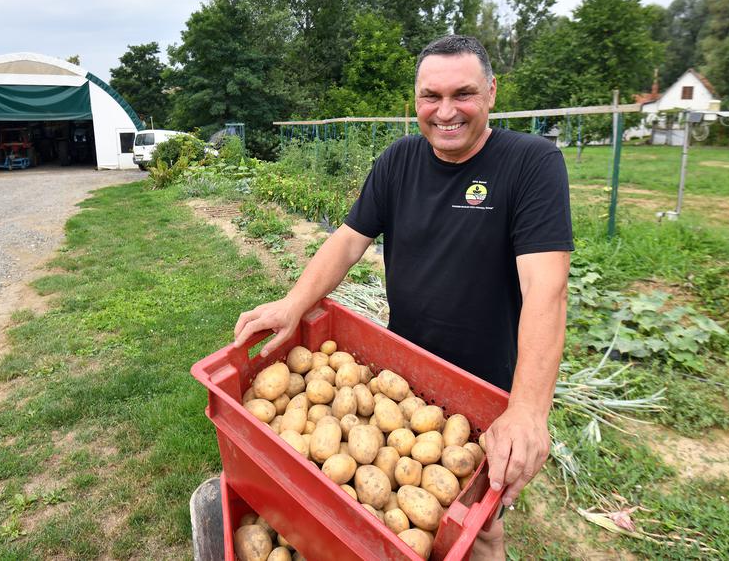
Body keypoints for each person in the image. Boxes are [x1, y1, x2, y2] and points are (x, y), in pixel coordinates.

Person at [233, 35, 572, 560]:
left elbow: (545, 290)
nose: (445, 111)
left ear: (492, 92)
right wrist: (293, 303)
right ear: (415, 99)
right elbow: (348, 240)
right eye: (430, 96)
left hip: (483, 394)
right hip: (401, 374)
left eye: (463, 93)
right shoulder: (399, 160)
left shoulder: (532, 163)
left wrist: (529, 411)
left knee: (474, 532)